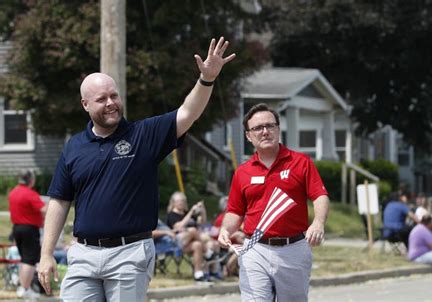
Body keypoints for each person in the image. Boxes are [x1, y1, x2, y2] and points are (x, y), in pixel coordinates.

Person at [38, 37, 236, 300]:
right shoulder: (74, 147)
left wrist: (207, 79)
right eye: (101, 99)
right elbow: (59, 201)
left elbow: (188, 113)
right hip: (83, 254)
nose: (111, 103)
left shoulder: (143, 135)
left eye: (114, 95)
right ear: (85, 105)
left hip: (128, 253)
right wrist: (46, 254)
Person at [217, 103, 330, 301]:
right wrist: (226, 229)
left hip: (293, 249)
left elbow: (319, 195)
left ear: (278, 129)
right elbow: (235, 211)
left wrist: (318, 222)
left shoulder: (300, 162)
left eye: (270, 126)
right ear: (248, 136)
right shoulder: (243, 172)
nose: (265, 132)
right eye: (257, 128)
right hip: (255, 248)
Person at [8, 169, 47, 298]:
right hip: (29, 229)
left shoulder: (13, 192)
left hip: (17, 228)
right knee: (29, 261)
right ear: (31, 180)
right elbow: (44, 209)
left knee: (24, 259)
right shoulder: (30, 194)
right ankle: (25, 289)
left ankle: (23, 287)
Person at [166, 191, 220, 281]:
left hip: (193, 242)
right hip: (178, 242)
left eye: (183, 200)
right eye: (179, 201)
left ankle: (199, 273)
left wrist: (203, 211)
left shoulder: (186, 213)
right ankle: (207, 253)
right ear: (173, 202)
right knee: (193, 230)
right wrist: (191, 212)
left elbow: (202, 222)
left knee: (199, 245)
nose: (182, 203)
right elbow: (178, 227)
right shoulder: (172, 215)